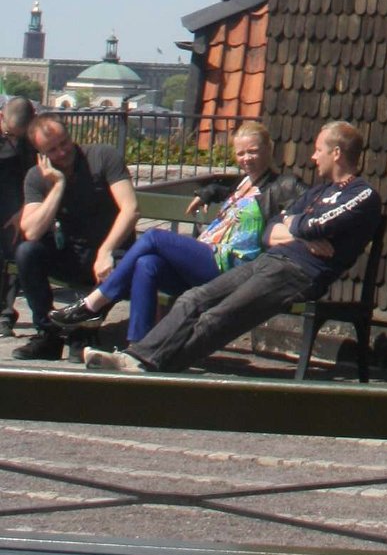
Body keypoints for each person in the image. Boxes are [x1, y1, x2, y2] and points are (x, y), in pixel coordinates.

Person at [88, 120, 382, 376]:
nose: (314, 156)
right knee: (194, 299)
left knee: (219, 317)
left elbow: (313, 227)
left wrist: (295, 226)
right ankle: (137, 357)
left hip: (299, 274)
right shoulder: (319, 191)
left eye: (319, 149)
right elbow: (270, 231)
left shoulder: (362, 194)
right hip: (270, 261)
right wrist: (298, 228)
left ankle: (150, 365)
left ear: (337, 153)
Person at [50, 120, 299, 345]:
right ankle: (138, 346)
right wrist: (208, 192)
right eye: (241, 152)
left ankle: (92, 304)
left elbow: (306, 207)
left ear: (269, 148)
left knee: (154, 238)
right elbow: (224, 191)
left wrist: (302, 228)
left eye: (253, 151)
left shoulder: (284, 185)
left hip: (232, 266)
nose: (246, 158)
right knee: (147, 264)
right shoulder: (244, 182)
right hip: (208, 261)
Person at [14, 114, 139, 360]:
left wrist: (106, 251)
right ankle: (48, 333)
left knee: (125, 264)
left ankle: (84, 329)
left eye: (64, 143)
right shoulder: (37, 177)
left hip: (111, 254)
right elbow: (32, 231)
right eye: (52, 149)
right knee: (27, 252)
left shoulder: (103, 156)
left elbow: (131, 208)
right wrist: (58, 186)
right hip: (71, 253)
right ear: (41, 153)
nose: (62, 152)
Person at [0, 97, 37, 336]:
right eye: (8, 133)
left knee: (10, 262)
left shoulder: (31, 141)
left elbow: (37, 177)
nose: (12, 138)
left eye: (16, 135)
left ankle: (4, 314)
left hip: (14, 209)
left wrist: (24, 209)